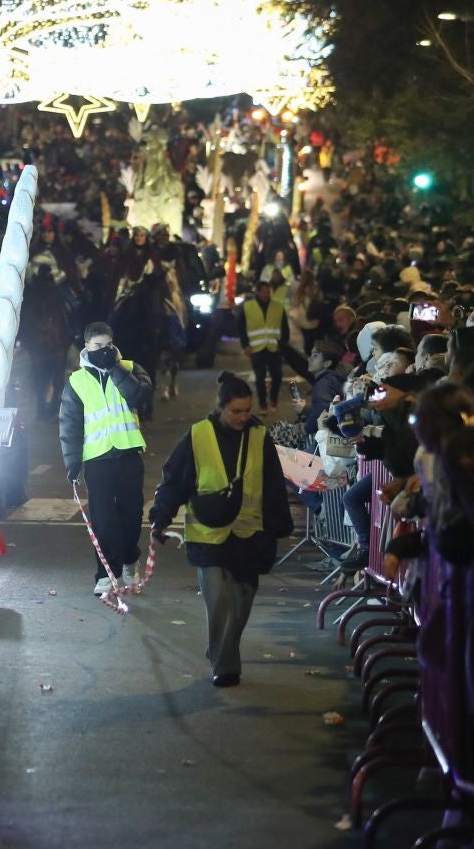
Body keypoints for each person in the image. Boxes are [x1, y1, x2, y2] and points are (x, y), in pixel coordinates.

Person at [149, 372, 293, 686]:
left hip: (249, 535)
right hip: (207, 535)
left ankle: (221, 647)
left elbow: (272, 483)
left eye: (247, 410)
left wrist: (279, 525)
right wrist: (160, 518)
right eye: (236, 411)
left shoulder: (259, 435)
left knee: (241, 604)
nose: (244, 417)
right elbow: (175, 481)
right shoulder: (198, 435)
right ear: (220, 408)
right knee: (220, 601)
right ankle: (226, 667)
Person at [58, 321, 152, 596]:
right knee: (104, 520)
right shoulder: (76, 380)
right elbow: (69, 425)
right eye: (97, 346)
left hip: (128, 453)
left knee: (132, 516)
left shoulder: (131, 368)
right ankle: (104, 574)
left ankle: (129, 561)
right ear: (86, 346)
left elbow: (139, 397)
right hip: (97, 460)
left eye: (107, 345)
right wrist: (72, 465)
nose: (102, 350)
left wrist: (114, 367)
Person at [241, 279, 287, 410]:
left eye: (268, 292)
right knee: (260, 377)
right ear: (258, 292)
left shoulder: (278, 306)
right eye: (264, 292)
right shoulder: (248, 306)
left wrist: (284, 346)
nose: (266, 295)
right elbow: (241, 327)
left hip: (274, 348)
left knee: (277, 376)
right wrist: (245, 345)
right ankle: (262, 404)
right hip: (257, 348)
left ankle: (273, 399)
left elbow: (284, 327)